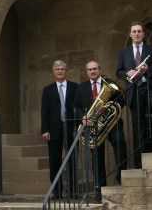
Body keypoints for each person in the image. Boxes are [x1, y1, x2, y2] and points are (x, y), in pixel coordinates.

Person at [115, 22, 152, 167]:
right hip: (134, 90)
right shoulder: (123, 53)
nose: (137, 34)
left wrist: (147, 70)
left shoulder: (151, 50)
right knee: (139, 127)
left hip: (149, 87)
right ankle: (141, 160)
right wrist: (127, 73)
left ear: (143, 34)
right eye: (134, 32)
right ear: (130, 34)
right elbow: (118, 72)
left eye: (139, 31)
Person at [74, 60, 127, 196]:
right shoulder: (81, 87)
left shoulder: (110, 83)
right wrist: (83, 118)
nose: (92, 71)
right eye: (90, 70)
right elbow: (77, 107)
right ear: (87, 72)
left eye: (95, 69)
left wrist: (108, 107)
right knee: (97, 157)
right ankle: (99, 187)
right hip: (93, 127)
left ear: (99, 69)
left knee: (120, 145)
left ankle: (122, 178)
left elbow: (122, 99)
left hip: (112, 123)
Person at [41, 60, 78, 197]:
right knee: (54, 160)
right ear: (53, 72)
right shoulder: (48, 89)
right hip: (54, 130)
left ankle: (73, 191)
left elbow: (78, 108)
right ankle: (57, 191)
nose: (60, 71)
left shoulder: (75, 87)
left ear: (66, 71)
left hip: (71, 128)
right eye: (57, 69)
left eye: (62, 69)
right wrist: (45, 130)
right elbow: (44, 111)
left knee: (72, 159)